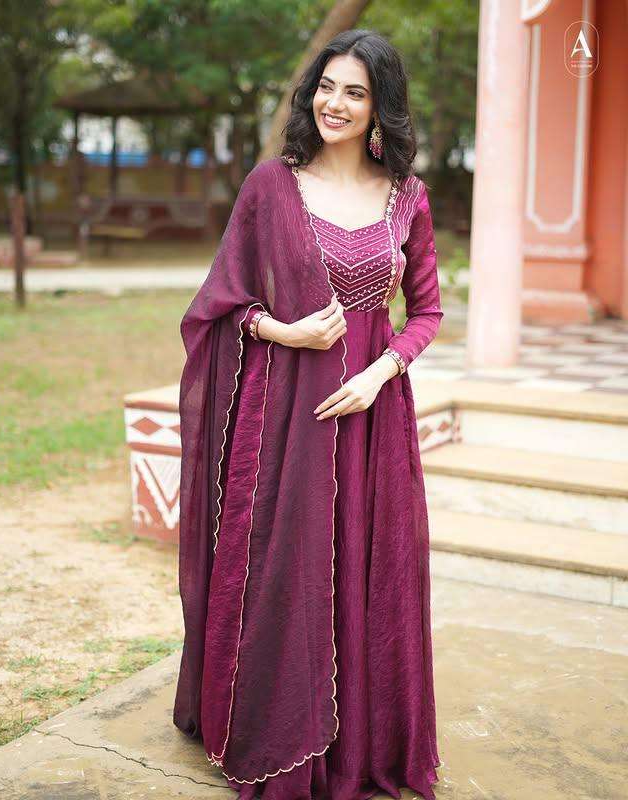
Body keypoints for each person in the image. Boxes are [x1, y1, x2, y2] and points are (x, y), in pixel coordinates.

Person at [173, 28, 444, 800]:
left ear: (380, 106)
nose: (335, 102)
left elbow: (426, 311)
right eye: (327, 86)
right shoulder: (271, 187)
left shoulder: (407, 198)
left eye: (355, 92)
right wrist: (283, 330)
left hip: (372, 417)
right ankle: (280, 733)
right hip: (286, 413)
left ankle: (361, 747)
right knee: (283, 567)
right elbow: (219, 304)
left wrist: (382, 371)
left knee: (372, 571)